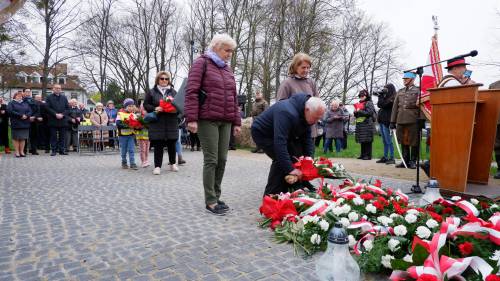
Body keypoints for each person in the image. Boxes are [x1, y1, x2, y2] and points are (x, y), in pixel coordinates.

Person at [185, 33, 241, 216]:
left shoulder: (227, 69)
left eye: (231, 51)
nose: (229, 54)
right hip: (207, 118)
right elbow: (192, 91)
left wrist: (236, 121)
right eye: (227, 50)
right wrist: (191, 118)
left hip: (225, 120)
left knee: (222, 160)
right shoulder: (201, 63)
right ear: (216, 47)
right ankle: (210, 200)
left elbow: (233, 97)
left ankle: (216, 195)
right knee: (211, 160)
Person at [251, 94, 326, 195]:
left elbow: (307, 139)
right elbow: (280, 143)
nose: (316, 121)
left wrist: (308, 160)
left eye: (318, 119)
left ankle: (296, 188)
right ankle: (272, 196)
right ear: (307, 109)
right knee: (281, 160)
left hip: (284, 133)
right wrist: (290, 169)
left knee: (297, 157)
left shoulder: (307, 112)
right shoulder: (286, 112)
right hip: (263, 133)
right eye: (315, 118)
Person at [143, 71, 180, 175]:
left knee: (172, 143)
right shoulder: (151, 92)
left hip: (171, 121)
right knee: (158, 144)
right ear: (158, 80)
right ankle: (157, 166)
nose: (164, 80)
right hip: (157, 122)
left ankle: (172, 163)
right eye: (162, 78)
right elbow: (146, 105)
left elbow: (179, 105)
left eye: (166, 79)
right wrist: (155, 108)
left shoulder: (173, 92)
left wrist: (174, 109)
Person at [390, 72, 420, 169]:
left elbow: (421, 106)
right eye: (404, 79)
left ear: (412, 79)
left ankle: (413, 161)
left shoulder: (418, 90)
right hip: (401, 119)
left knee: (414, 141)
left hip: (413, 119)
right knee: (403, 140)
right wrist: (392, 121)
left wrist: (422, 119)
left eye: (406, 79)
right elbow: (395, 107)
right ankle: (405, 160)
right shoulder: (400, 91)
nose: (404, 80)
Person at [45, 84, 69, 156]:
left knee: (62, 136)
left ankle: (62, 150)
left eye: (59, 88)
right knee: (53, 136)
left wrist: (62, 114)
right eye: (56, 88)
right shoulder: (49, 97)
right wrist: (55, 114)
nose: (58, 89)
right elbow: (47, 108)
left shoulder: (64, 97)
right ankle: (54, 150)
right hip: (53, 119)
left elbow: (67, 108)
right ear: (53, 89)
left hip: (62, 120)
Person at [376, 83, 396, 165]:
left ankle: (392, 157)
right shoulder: (385, 97)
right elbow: (379, 104)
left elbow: (383, 105)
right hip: (381, 121)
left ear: (390, 89)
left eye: (386, 88)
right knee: (384, 141)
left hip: (387, 122)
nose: (385, 90)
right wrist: (380, 95)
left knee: (389, 141)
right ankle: (385, 156)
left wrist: (380, 96)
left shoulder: (393, 98)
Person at [7, 91, 32, 157]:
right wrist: (20, 115)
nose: (20, 97)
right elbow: (10, 111)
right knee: (16, 138)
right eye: (18, 96)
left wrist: (26, 115)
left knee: (23, 138)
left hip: (25, 123)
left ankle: (22, 152)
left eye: (21, 96)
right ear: (15, 96)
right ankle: (17, 152)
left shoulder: (25, 103)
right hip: (16, 123)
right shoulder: (11, 103)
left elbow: (30, 111)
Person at [116, 98, 138, 170]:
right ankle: (124, 162)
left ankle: (132, 163)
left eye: (132, 106)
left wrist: (138, 127)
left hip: (131, 135)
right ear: (125, 106)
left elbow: (137, 124)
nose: (131, 108)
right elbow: (118, 124)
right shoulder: (120, 114)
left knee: (131, 150)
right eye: (129, 106)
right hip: (122, 135)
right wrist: (128, 125)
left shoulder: (134, 115)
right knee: (124, 150)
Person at [354, 90, 376, 160]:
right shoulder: (359, 103)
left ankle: (368, 155)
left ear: (366, 96)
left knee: (367, 140)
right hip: (360, 123)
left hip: (367, 123)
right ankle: (363, 154)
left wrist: (359, 111)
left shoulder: (369, 103)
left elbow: (369, 112)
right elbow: (358, 114)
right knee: (362, 140)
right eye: (360, 96)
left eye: (362, 96)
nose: (361, 97)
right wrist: (355, 112)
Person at [22, 88, 41, 155]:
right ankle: (24, 150)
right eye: (27, 91)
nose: (28, 93)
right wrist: (28, 117)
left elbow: (38, 111)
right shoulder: (21, 101)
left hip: (34, 121)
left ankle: (33, 150)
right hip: (25, 121)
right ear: (23, 92)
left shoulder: (34, 101)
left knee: (34, 136)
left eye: (29, 92)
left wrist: (34, 117)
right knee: (25, 136)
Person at [136, 100, 150, 168]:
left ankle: (146, 160)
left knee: (147, 149)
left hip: (148, 136)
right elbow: (136, 126)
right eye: (143, 109)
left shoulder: (149, 116)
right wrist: (141, 126)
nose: (144, 111)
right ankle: (143, 161)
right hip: (141, 136)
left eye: (145, 110)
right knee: (142, 149)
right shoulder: (138, 116)